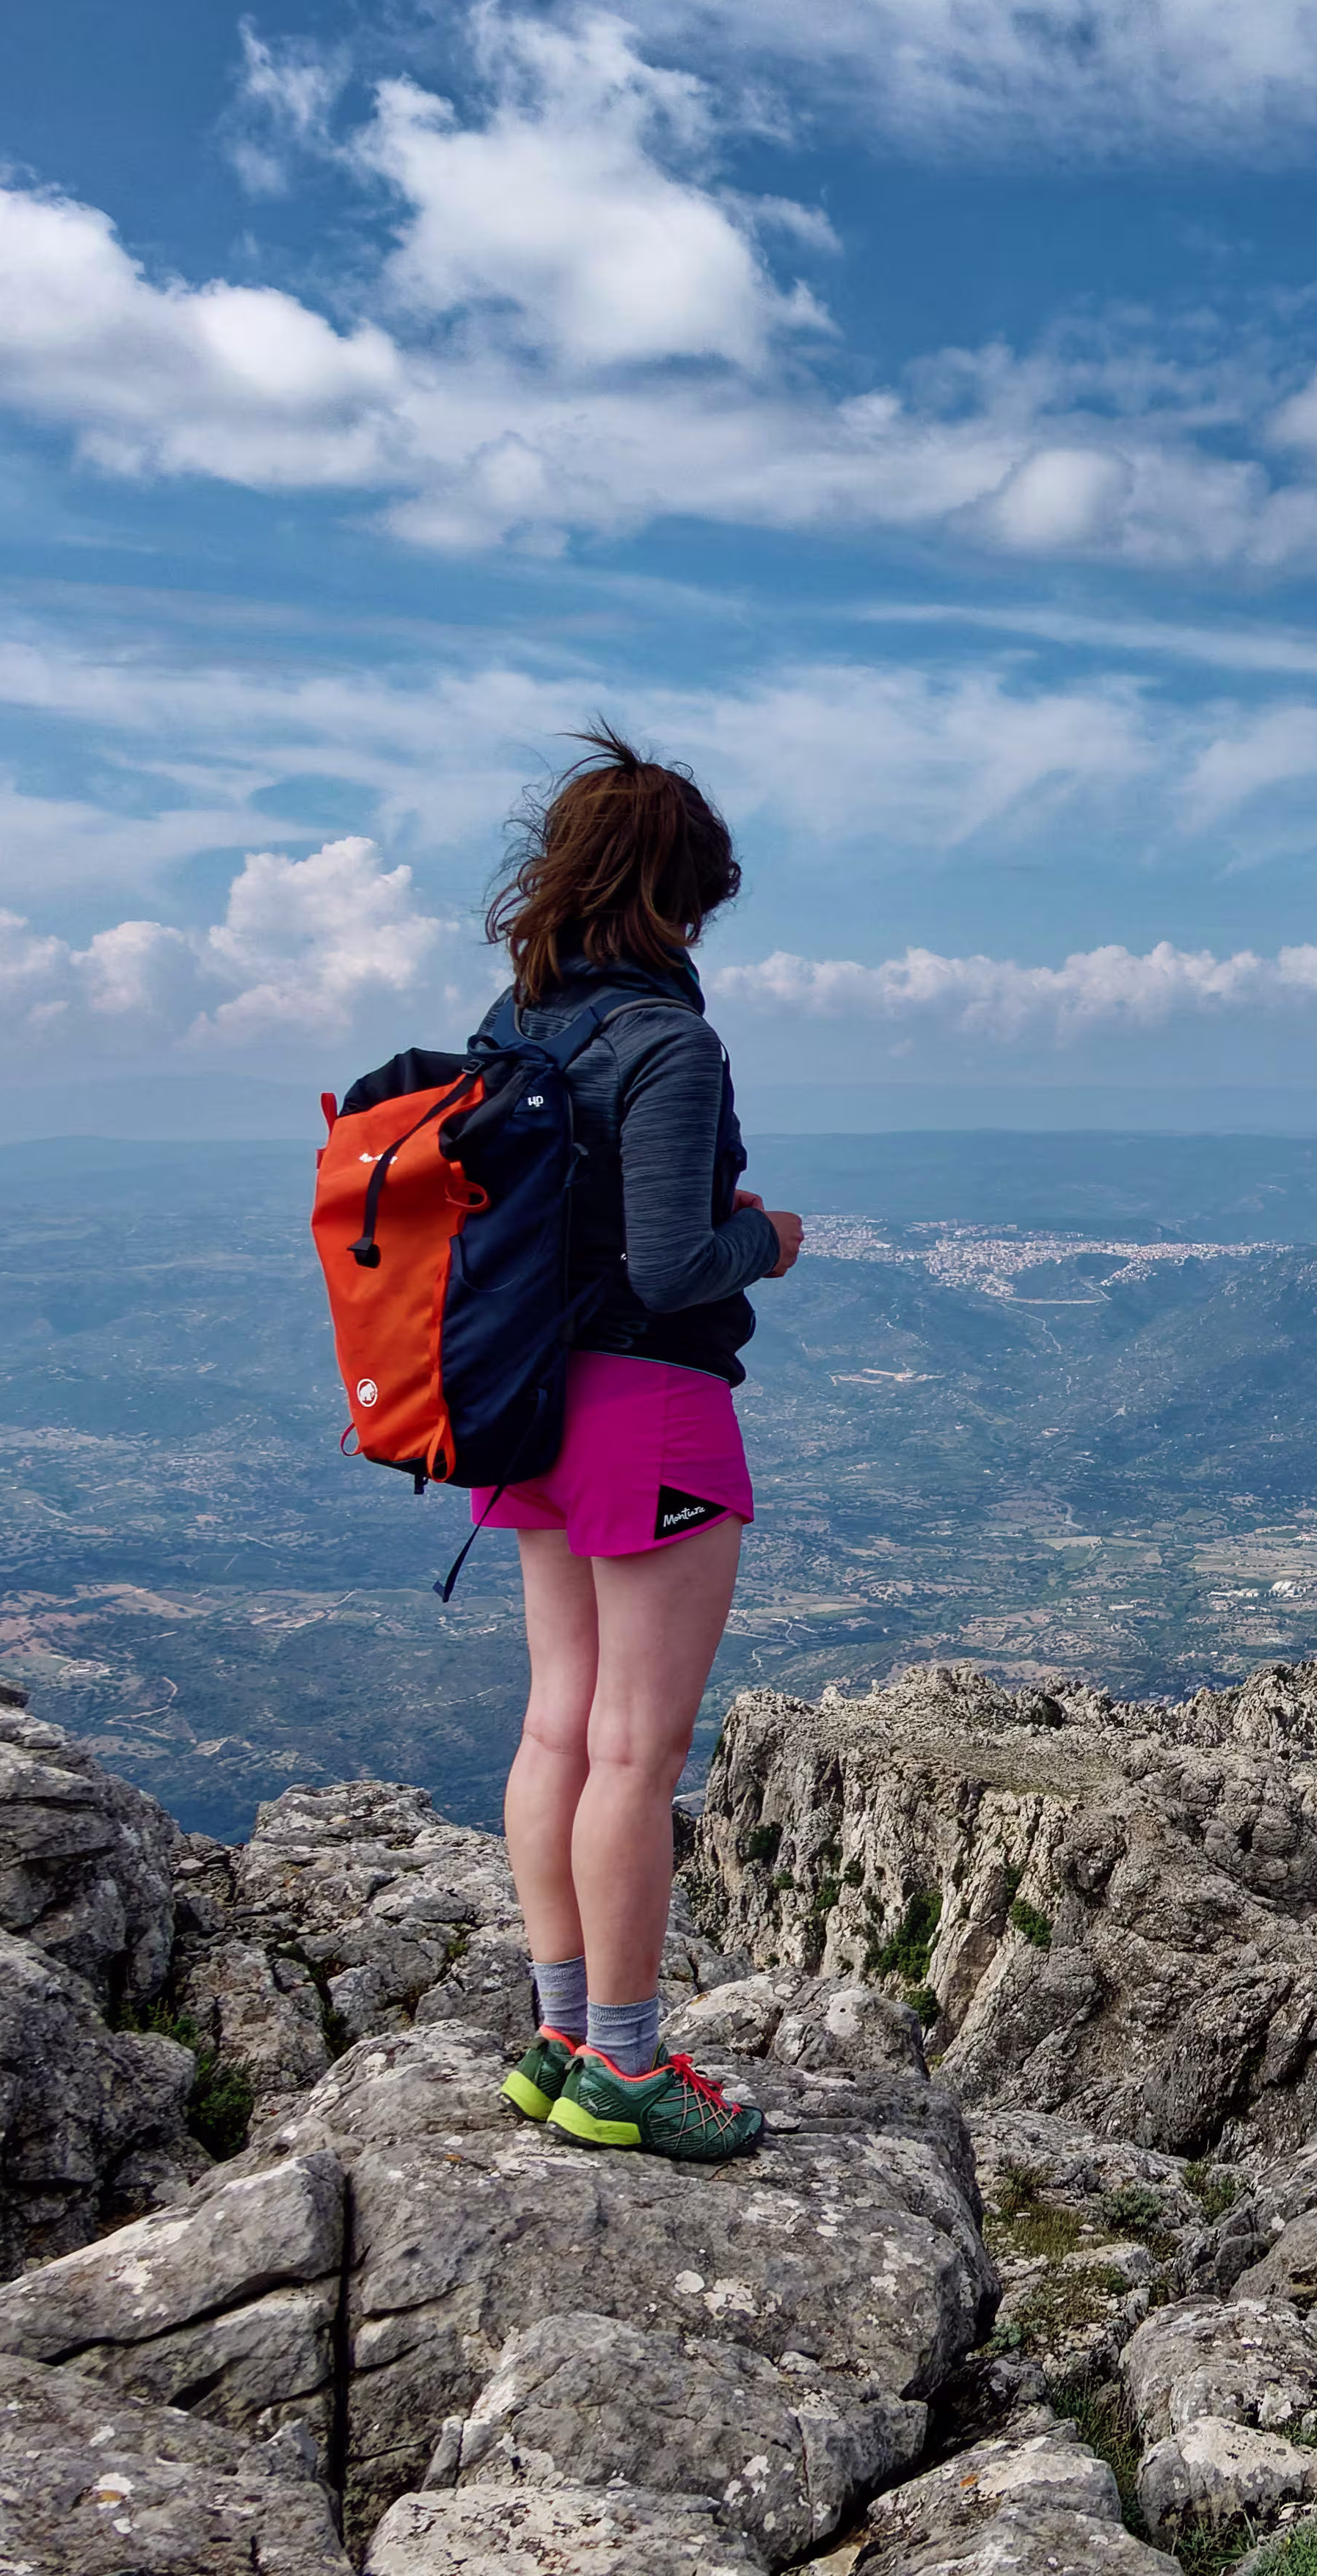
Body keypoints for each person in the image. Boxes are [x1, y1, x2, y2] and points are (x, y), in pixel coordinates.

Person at [473, 728, 800, 2163]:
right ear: (672, 894)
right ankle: (623, 2070)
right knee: (635, 1752)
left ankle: (557, 2039)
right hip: (648, 1409)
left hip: (526, 1402)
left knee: (559, 1722)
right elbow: (674, 1264)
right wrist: (770, 1243)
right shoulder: (667, 1041)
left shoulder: (513, 1031)